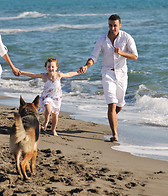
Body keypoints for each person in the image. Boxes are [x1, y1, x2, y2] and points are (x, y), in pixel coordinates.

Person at [79, 14, 138, 142]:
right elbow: (93, 56)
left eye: (115, 25)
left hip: (122, 74)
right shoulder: (102, 39)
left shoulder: (126, 38)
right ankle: (114, 134)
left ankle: (112, 118)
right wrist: (86, 66)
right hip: (107, 74)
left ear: (120, 25)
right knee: (111, 104)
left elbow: (135, 56)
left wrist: (121, 52)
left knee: (120, 104)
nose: (112, 28)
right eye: (110, 25)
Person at [20, 58, 80, 136]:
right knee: (48, 108)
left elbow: (69, 74)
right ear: (46, 67)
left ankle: (53, 130)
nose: (50, 68)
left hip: (57, 98)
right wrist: (22, 72)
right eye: (48, 67)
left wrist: (78, 72)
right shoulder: (45, 76)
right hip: (47, 97)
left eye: (52, 67)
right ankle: (46, 121)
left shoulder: (59, 75)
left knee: (55, 116)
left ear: (56, 68)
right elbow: (33, 75)